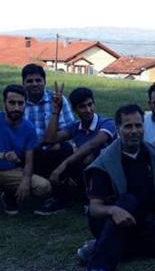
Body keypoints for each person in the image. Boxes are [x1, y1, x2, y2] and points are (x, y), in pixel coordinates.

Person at [80, 104, 155, 271]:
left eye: (138, 125)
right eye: (128, 126)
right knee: (128, 200)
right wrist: (113, 210)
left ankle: (97, 247)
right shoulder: (105, 162)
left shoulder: (153, 154)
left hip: (138, 220)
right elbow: (94, 209)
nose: (134, 131)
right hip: (108, 219)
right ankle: (97, 269)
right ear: (118, 129)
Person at [0, 85, 52, 228]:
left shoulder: (28, 127)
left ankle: (8, 194)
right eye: (12, 103)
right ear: (4, 104)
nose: (16, 108)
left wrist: (26, 180)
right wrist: (0, 155)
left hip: (11, 172)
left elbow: (29, 161)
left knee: (44, 187)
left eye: (20, 103)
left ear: (25, 104)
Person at [34, 86, 116, 215]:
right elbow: (50, 139)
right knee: (60, 149)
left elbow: (92, 145)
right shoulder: (76, 126)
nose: (88, 110)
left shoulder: (107, 123)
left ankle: (96, 197)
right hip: (85, 172)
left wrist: (63, 165)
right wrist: (56, 112)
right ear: (74, 110)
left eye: (90, 105)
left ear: (94, 104)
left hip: (108, 174)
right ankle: (63, 199)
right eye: (82, 107)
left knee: (90, 155)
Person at [22, 63, 75, 179]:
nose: (34, 84)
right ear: (23, 84)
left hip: (53, 148)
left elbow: (69, 129)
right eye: (29, 81)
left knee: (65, 148)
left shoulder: (57, 100)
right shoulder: (19, 102)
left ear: (44, 82)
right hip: (28, 151)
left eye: (38, 80)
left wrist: (50, 142)